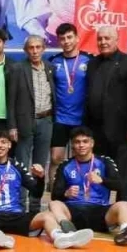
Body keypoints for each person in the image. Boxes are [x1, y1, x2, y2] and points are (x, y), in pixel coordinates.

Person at [46, 127, 127, 246]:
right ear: (72, 145)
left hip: (100, 211)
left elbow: (120, 186)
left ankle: (125, 231)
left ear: (92, 143)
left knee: (124, 204)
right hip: (73, 212)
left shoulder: (104, 162)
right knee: (54, 204)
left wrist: (102, 180)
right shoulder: (65, 165)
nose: (81, 145)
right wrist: (66, 193)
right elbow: (55, 195)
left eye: (85, 141)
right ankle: (69, 231)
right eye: (77, 142)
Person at [84, 26, 127, 203]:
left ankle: (123, 207)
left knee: (125, 172)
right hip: (96, 130)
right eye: (100, 39)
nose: (103, 42)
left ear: (117, 40)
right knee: (99, 170)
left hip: (122, 131)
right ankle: (99, 206)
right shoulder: (92, 64)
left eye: (107, 38)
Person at [0, 131, 48, 247]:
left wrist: (41, 178)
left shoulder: (17, 167)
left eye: (4, 142)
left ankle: (60, 236)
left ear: (9, 145)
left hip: (15, 215)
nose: (0, 145)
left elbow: (36, 193)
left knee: (47, 216)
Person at [49, 23, 92, 175]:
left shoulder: (89, 60)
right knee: (56, 158)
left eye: (69, 37)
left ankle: (79, 188)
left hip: (81, 119)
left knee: (81, 158)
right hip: (60, 118)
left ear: (77, 38)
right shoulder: (53, 62)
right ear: (58, 41)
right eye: (62, 39)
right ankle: (54, 188)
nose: (66, 41)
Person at [11, 35, 54, 181]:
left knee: (40, 164)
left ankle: (36, 195)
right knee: (22, 163)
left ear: (44, 49)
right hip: (24, 121)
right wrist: (12, 126)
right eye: (31, 48)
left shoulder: (50, 68)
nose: (35, 51)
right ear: (25, 50)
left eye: (38, 47)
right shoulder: (17, 69)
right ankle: (22, 195)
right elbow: (11, 100)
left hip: (46, 120)